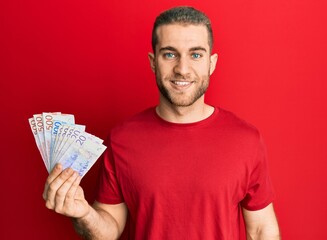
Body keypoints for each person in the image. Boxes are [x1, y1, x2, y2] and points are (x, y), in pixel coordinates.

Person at [43, 6, 280, 240]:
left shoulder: (246, 140)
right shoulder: (122, 139)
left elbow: (261, 230)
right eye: (170, 54)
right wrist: (84, 214)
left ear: (212, 62)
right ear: (153, 61)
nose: (182, 69)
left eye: (196, 54)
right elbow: (109, 228)